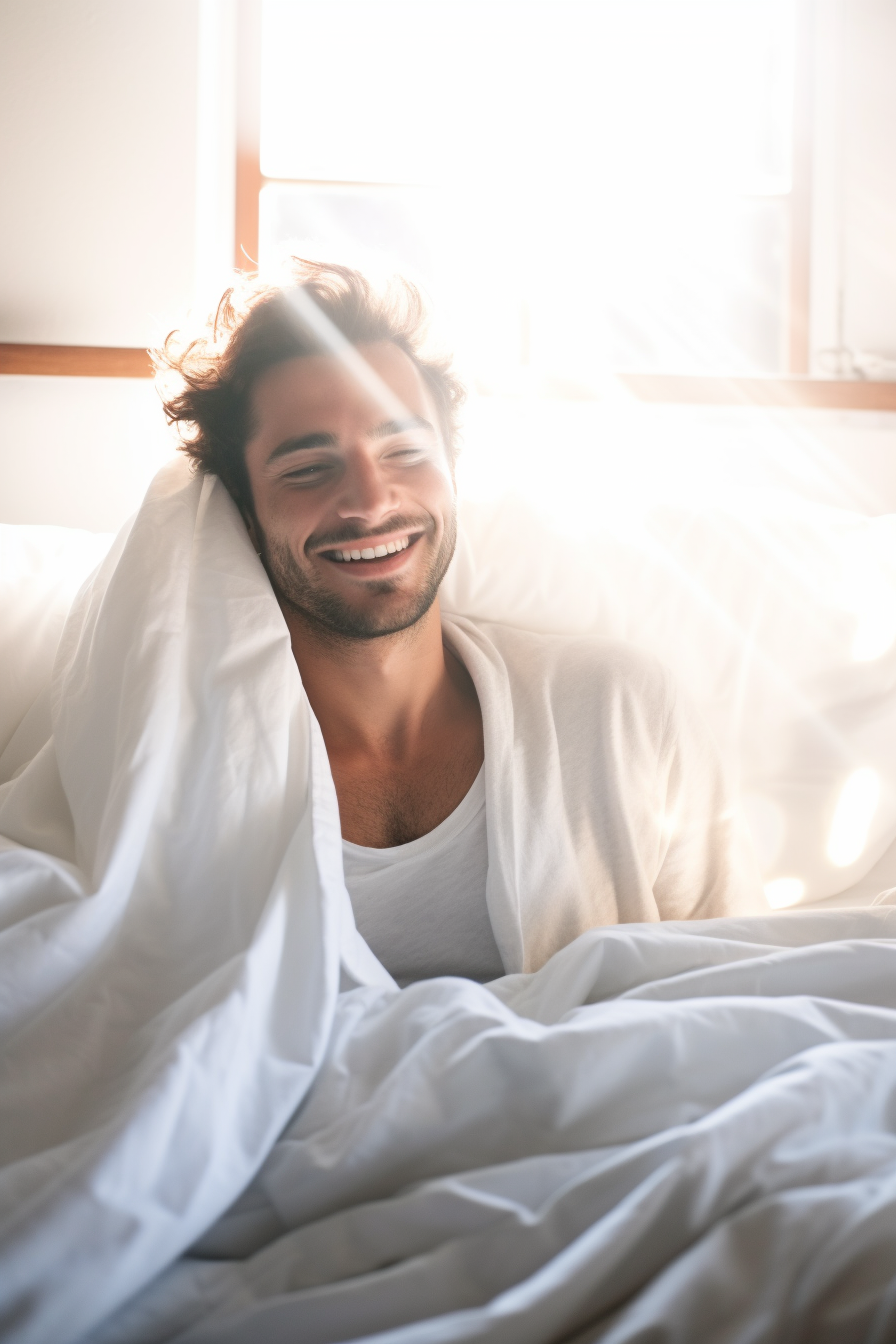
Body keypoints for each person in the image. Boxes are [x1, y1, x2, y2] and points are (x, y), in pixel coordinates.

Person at [156, 259, 764, 985]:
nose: (371, 501)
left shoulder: (618, 710)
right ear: (242, 514)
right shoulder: (180, 766)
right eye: (308, 469)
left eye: (406, 452)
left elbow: (738, 984)